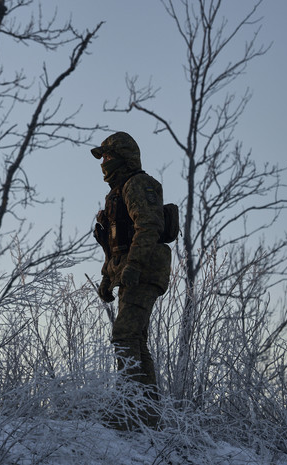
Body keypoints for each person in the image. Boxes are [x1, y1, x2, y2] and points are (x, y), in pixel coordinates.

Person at [91, 131, 172, 429]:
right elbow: (115, 245)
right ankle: (146, 415)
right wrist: (106, 277)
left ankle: (129, 410)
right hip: (130, 270)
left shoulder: (138, 184)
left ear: (123, 158)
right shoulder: (117, 192)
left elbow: (149, 226)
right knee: (135, 338)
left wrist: (135, 267)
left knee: (125, 334)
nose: (104, 163)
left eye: (108, 157)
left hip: (145, 269)